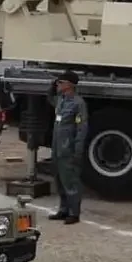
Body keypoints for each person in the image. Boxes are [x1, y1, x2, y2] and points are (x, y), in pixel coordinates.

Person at [48, 70, 89, 225]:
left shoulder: (78, 104)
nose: (57, 85)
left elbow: (81, 128)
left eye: (60, 82)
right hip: (57, 147)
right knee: (59, 180)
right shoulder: (61, 100)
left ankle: (73, 213)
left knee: (70, 181)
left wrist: (78, 149)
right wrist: (51, 86)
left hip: (68, 148)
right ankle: (63, 209)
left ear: (69, 85)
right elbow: (50, 98)